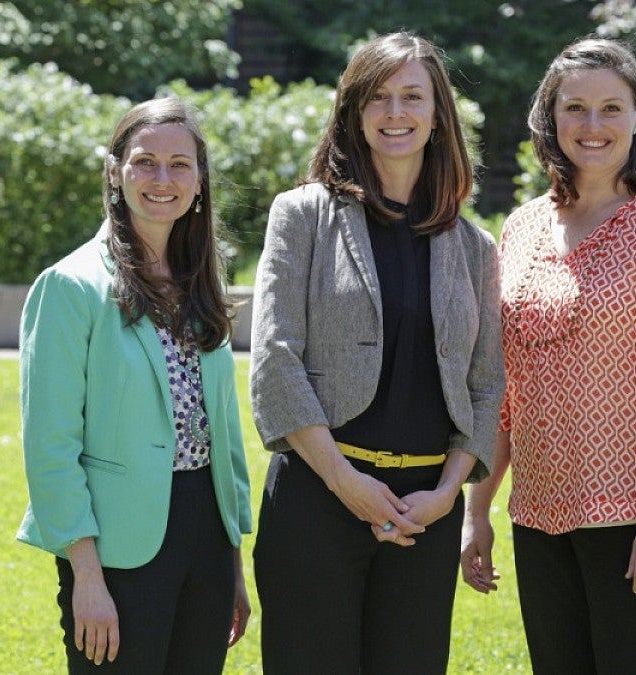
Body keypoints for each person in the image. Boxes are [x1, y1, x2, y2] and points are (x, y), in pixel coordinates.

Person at [459, 37, 636, 674]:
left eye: (611, 108)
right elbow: (505, 384)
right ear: (550, 118)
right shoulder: (523, 226)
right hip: (540, 512)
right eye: (574, 108)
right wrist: (478, 509)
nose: (592, 125)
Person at [248, 31, 504, 674]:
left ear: (438, 114)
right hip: (316, 499)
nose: (396, 113)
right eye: (379, 98)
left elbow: (487, 383)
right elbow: (275, 358)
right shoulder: (301, 215)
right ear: (353, 113)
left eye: (413, 96)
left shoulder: (473, 248)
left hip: (426, 512)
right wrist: (345, 481)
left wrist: (447, 493)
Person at [16, 97, 252, 673]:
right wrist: (86, 578)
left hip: (207, 534)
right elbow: (50, 447)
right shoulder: (70, 287)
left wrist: (232, 563)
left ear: (199, 181)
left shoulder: (205, 280)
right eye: (145, 162)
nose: (162, 179)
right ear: (115, 172)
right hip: (116, 546)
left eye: (180, 164)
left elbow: (221, 426)